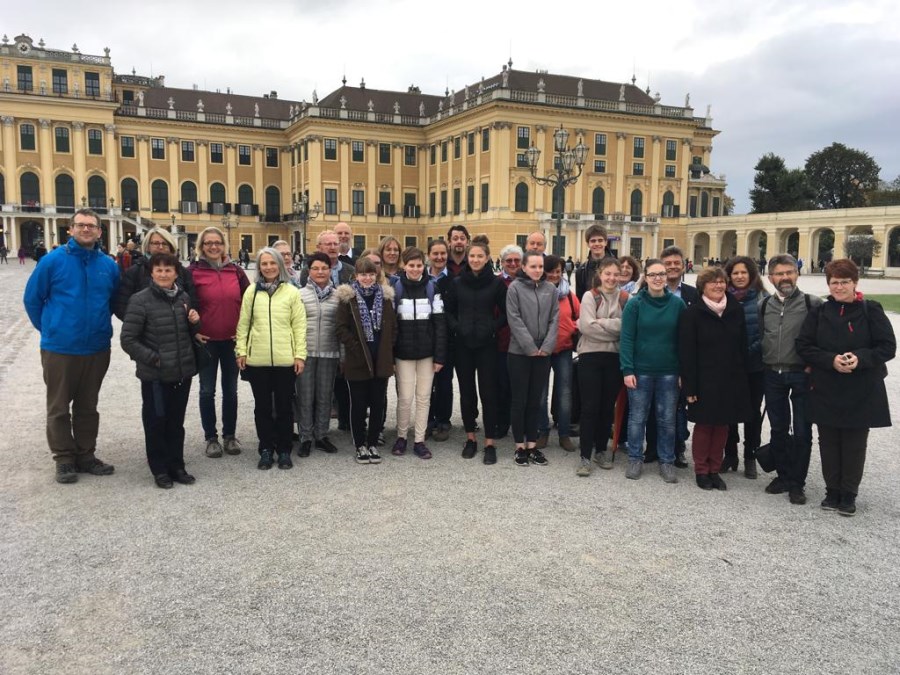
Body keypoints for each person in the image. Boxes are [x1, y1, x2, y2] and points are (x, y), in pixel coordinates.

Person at [23, 209, 120, 484]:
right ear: (71, 229)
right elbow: (32, 299)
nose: (86, 229)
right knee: (58, 406)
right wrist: (51, 329)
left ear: (100, 231)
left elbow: (114, 300)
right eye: (81, 225)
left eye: (91, 226)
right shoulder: (52, 261)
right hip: (60, 348)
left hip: (97, 347)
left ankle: (86, 455)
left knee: (88, 405)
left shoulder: (108, 265)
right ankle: (64, 458)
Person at [796, 259, 896, 516]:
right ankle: (832, 491)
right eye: (834, 282)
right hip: (827, 384)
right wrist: (831, 360)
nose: (839, 287)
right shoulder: (819, 311)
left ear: (855, 283)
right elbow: (804, 345)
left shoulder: (870, 309)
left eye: (844, 282)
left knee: (853, 442)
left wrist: (859, 358)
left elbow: (887, 347)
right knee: (828, 441)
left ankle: (849, 493)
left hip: (860, 386)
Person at [120, 252, 201, 489]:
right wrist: (154, 359)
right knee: (156, 421)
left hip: (181, 371)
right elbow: (128, 339)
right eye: (159, 270)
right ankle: (159, 468)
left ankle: (177, 465)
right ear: (152, 273)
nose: (164, 274)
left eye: (168, 270)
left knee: (176, 422)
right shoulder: (140, 300)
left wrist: (195, 321)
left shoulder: (183, 297)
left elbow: (188, 332)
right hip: (155, 374)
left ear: (176, 273)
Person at [678, 267, 751, 491]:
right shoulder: (693, 313)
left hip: (730, 377)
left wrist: (741, 378)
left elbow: (742, 347)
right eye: (713, 283)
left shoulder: (735, 310)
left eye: (721, 282)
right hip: (703, 378)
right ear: (703, 287)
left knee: (722, 425)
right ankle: (701, 469)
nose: (718, 286)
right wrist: (689, 386)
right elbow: (687, 352)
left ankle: (715, 469)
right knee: (704, 425)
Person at [235, 248, 307, 470]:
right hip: (258, 360)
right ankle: (266, 448)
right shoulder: (251, 293)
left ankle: (284, 449)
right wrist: (241, 351)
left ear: (280, 265)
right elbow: (244, 323)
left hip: (285, 359)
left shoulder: (291, 292)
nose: (268, 268)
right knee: (262, 407)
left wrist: (299, 355)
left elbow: (299, 326)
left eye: (272, 263)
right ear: (259, 267)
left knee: (285, 407)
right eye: (264, 264)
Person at [760, 253, 823, 505]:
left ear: (797, 274)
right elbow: (760, 337)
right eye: (779, 273)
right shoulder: (764, 305)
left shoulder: (813, 303)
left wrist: (813, 366)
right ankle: (784, 474)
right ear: (770, 277)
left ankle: (798, 482)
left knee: (802, 430)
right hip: (772, 373)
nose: (785, 277)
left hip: (801, 373)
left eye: (789, 272)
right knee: (777, 427)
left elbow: (823, 339)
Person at [619, 258, 686, 483]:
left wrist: (682, 371)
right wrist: (627, 369)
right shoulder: (635, 303)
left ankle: (666, 460)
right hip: (641, 370)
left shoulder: (677, 305)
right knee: (637, 417)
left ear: (667, 277)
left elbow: (683, 340)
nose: (657, 278)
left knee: (667, 419)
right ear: (645, 278)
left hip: (669, 371)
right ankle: (635, 458)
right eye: (653, 274)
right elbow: (627, 338)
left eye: (661, 274)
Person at [444, 235, 507, 464]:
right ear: (467, 259)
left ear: (488, 257)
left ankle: (490, 441)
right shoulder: (458, 282)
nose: (476, 259)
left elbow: (507, 313)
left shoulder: (497, 283)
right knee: (467, 392)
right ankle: (470, 438)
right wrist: (456, 327)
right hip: (463, 345)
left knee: (489, 393)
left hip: (487, 345)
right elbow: (448, 311)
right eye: (472, 256)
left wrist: (493, 327)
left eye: (480, 256)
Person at [189, 227, 250, 459]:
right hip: (207, 341)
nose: (213, 247)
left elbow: (250, 302)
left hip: (232, 341)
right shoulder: (193, 272)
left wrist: (244, 332)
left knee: (231, 391)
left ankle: (230, 435)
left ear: (224, 245)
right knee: (206, 391)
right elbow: (185, 304)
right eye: (208, 243)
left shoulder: (236, 271)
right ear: (201, 246)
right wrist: (193, 331)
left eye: (217, 243)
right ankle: (211, 438)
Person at [335, 257, 398, 464]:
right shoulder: (348, 298)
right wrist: (354, 347)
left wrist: (388, 347)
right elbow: (341, 328)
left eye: (371, 274)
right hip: (357, 358)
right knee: (359, 405)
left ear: (376, 276)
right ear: (356, 276)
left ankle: (372, 443)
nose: (367, 278)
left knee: (378, 403)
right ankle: (360, 444)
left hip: (380, 357)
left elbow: (393, 326)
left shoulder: (386, 297)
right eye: (363, 274)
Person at [390, 247, 448, 459]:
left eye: (419, 265)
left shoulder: (433, 288)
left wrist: (440, 356)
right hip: (403, 354)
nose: (415, 269)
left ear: (423, 266)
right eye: (411, 265)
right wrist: (391, 356)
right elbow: (391, 326)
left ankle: (420, 440)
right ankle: (401, 437)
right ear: (404, 266)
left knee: (423, 398)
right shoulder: (394, 288)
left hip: (427, 354)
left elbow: (440, 324)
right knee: (405, 398)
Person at [644, 245, 698, 467]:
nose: (673, 267)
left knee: (677, 407)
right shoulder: (647, 293)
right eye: (668, 264)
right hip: (655, 358)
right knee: (652, 406)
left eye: (677, 263)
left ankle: (678, 448)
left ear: (684, 265)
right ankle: (653, 448)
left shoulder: (693, 294)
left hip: (681, 359)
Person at [575, 258, 628, 476]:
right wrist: (614, 326)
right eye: (608, 274)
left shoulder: (626, 298)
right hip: (590, 355)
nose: (612, 278)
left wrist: (602, 322)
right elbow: (586, 327)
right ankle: (585, 455)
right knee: (589, 407)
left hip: (614, 358)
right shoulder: (590, 296)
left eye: (616, 274)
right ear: (600, 273)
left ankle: (600, 450)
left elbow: (628, 328)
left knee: (607, 407)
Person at [506, 251, 559, 466]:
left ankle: (532, 445)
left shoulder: (551, 289)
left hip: (543, 354)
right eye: (533, 266)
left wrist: (546, 346)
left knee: (535, 401)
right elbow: (514, 318)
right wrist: (529, 346)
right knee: (519, 400)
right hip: (519, 352)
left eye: (540, 267)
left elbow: (555, 319)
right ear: (524, 267)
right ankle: (519, 445)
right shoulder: (515, 288)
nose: (537, 270)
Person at [723, 256, 768, 478]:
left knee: (752, 413)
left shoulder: (763, 298)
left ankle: (751, 455)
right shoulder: (720, 297)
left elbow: (767, 334)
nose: (739, 276)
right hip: (728, 367)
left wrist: (745, 353)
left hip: (753, 366)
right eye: (735, 273)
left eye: (743, 272)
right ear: (729, 276)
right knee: (727, 411)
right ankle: (730, 453)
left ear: (751, 275)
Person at [296, 252, 342, 457]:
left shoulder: (339, 295)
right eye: (316, 268)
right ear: (309, 271)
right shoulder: (299, 295)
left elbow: (342, 328)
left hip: (329, 352)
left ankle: (322, 435)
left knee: (325, 396)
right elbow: (294, 326)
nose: (320, 272)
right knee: (305, 396)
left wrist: (343, 355)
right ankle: (305, 437)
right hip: (306, 353)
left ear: (330, 270)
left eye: (324, 268)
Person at [538, 255, 579, 452]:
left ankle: (564, 433)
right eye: (551, 271)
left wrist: (572, 327)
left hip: (563, 349)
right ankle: (542, 431)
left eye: (558, 271)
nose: (554, 275)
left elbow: (579, 316)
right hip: (542, 350)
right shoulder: (537, 292)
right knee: (541, 393)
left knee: (564, 393)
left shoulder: (569, 295)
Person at [115, 227, 197, 321]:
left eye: (164, 243)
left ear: (170, 246)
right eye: (156, 243)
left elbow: (193, 303)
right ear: (148, 246)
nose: (161, 247)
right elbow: (121, 305)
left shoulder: (183, 272)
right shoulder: (135, 272)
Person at [493, 244, 523, 439]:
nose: (513, 264)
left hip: (523, 343)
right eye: (509, 261)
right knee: (502, 385)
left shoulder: (528, 281)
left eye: (516, 260)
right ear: (502, 263)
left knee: (521, 386)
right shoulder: (496, 283)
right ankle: (502, 422)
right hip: (502, 340)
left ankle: (520, 423)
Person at [427, 239, 455, 442]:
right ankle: (427, 421)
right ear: (429, 255)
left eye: (442, 254)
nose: (439, 257)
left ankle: (444, 421)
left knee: (444, 382)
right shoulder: (420, 278)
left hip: (447, 338)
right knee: (426, 383)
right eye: (435, 253)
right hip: (424, 338)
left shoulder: (454, 280)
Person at [575, 224, 614, 300]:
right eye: (593, 241)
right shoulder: (581, 271)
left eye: (600, 240)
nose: (597, 244)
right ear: (588, 244)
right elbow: (580, 299)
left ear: (606, 242)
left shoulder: (617, 266)